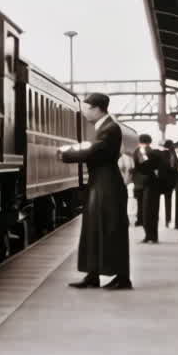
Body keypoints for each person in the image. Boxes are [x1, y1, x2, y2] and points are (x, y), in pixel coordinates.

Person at [58, 93, 130, 290]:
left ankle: (122, 277)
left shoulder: (110, 128)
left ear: (97, 108)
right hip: (100, 182)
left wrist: (65, 154)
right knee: (94, 227)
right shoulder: (104, 127)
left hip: (107, 184)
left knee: (111, 228)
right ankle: (93, 274)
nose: (84, 112)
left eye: (87, 108)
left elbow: (95, 150)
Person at [133, 134, 166, 244]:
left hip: (145, 185)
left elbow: (143, 166)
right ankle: (152, 236)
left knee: (146, 211)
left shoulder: (141, 152)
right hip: (152, 185)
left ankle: (149, 236)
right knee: (152, 211)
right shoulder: (155, 152)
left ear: (140, 141)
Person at [162, 139, 177, 227]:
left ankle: (158, 219)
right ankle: (168, 220)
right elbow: (172, 167)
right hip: (170, 182)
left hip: (160, 181)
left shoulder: (160, 154)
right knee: (168, 201)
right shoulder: (172, 155)